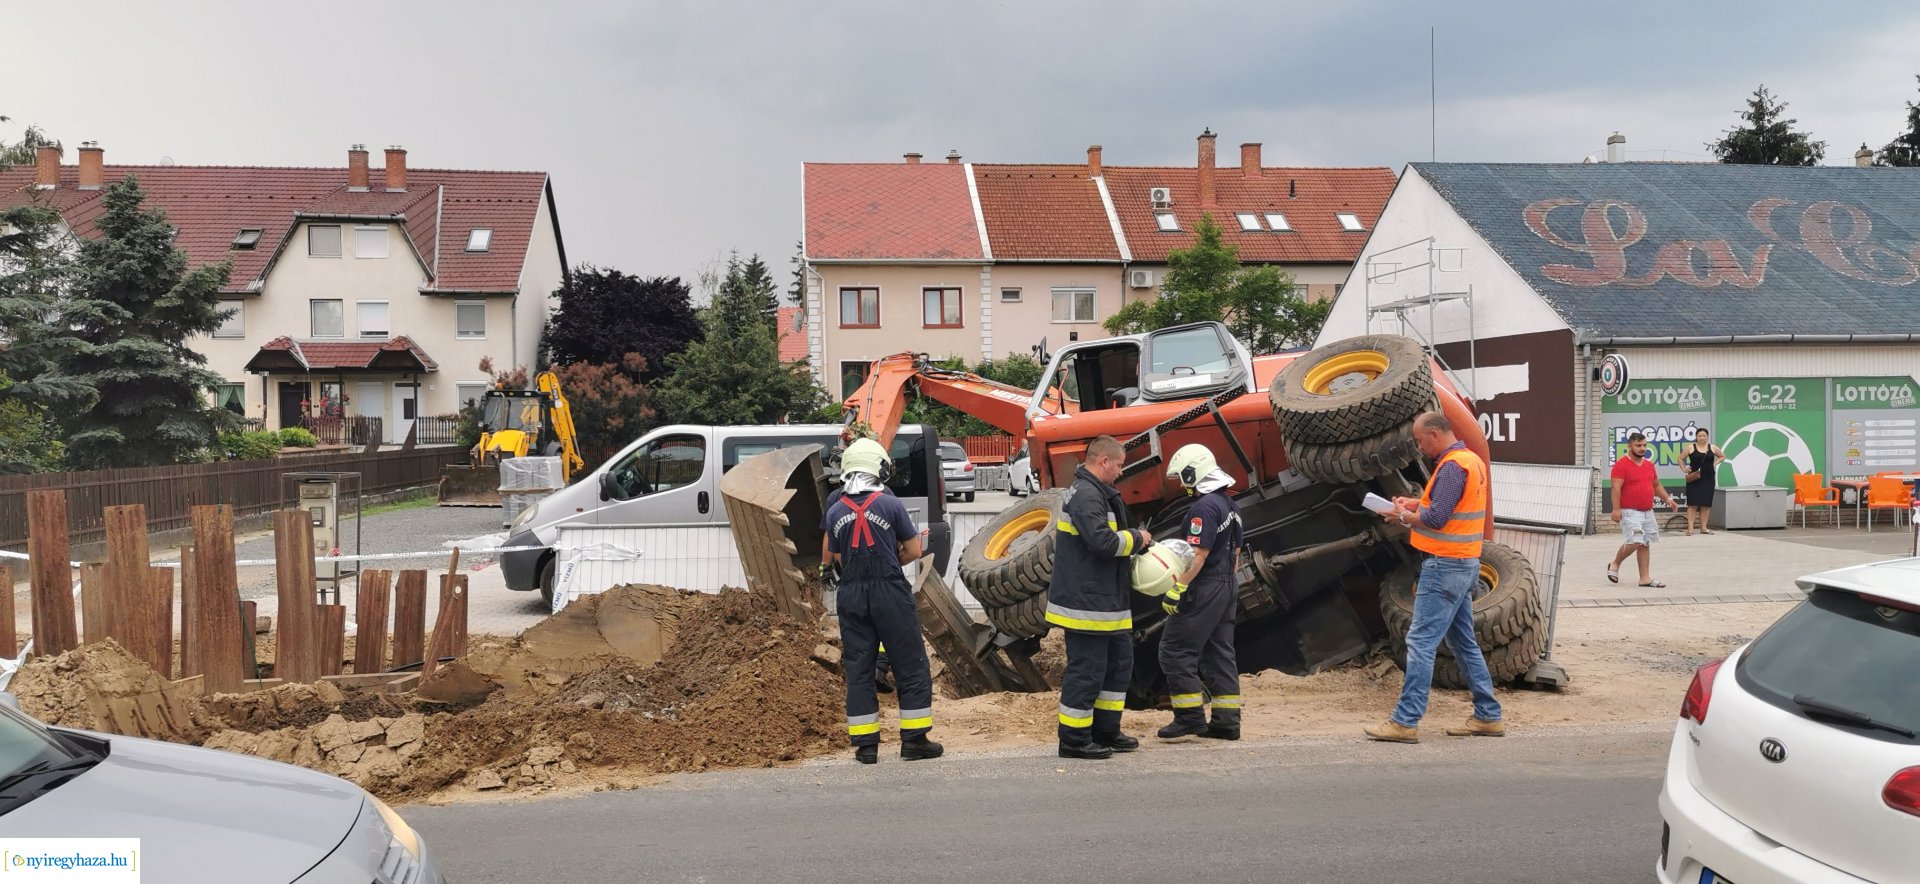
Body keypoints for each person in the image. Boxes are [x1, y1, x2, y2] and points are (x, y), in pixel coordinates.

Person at [1365, 411, 1504, 744]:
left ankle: (1405, 721)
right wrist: (1415, 503)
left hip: (1445, 567)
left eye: (1419, 439)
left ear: (1436, 434)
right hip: (1464, 564)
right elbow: (1445, 506)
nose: (1418, 445)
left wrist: (1402, 515)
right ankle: (1487, 716)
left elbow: (1438, 518)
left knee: (1421, 642)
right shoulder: (1469, 461)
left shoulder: (1453, 466)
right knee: (1463, 643)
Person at [825, 438, 941, 764]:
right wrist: (891, 559)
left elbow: (837, 558)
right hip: (889, 591)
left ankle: (866, 747)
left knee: (860, 669)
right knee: (910, 664)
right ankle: (915, 741)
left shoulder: (835, 510)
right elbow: (915, 550)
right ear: (878, 469)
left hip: (850, 594)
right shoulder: (891, 505)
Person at [1048, 435, 1151, 760]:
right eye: (1118, 465)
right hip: (1086, 604)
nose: (1121, 471)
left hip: (1106, 601)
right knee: (1088, 669)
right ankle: (1074, 739)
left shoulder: (1096, 492)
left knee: (1119, 664)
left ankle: (1106, 729)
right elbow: (1102, 543)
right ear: (1103, 461)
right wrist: (1137, 538)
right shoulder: (1087, 496)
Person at [1156, 444, 1245, 741]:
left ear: (1194, 473)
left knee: (1175, 650)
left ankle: (1190, 717)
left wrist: (1179, 587)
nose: (1182, 484)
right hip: (1227, 584)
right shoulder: (1231, 505)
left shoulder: (1204, 508)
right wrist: (1226, 591)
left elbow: (1197, 554)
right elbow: (1236, 555)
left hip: (1204, 584)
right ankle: (1227, 721)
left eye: (1183, 477)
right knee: (1220, 652)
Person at [1608, 431, 1678, 588]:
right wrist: (1616, 509)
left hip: (1647, 511)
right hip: (1629, 511)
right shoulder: (1621, 465)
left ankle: (1644, 578)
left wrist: (1668, 499)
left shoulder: (1648, 465)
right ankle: (1615, 563)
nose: (1642, 448)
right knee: (1635, 541)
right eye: (1638, 445)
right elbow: (1615, 488)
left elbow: (1656, 485)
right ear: (1629, 446)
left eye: (1644, 445)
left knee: (1645, 543)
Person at [1682, 427, 1725, 536]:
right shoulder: (1690, 447)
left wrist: (1715, 463)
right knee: (1692, 504)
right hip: (1694, 478)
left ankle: (1704, 528)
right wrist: (1684, 468)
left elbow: (1722, 456)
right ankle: (1690, 529)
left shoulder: (1713, 447)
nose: (1702, 438)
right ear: (1696, 437)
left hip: (1708, 478)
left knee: (1706, 504)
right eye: (1700, 436)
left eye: (1704, 436)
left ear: (1707, 437)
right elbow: (1679, 458)